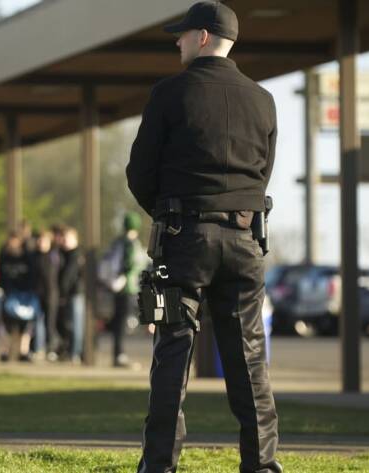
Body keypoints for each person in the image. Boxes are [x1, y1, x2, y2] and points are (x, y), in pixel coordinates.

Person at [125, 2, 281, 472]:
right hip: (245, 241)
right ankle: (261, 466)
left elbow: (139, 173)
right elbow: (264, 174)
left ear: (204, 37)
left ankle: (159, 466)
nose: (177, 41)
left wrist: (172, 215)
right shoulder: (263, 99)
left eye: (183, 34)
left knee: (173, 352)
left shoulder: (170, 93)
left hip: (184, 239)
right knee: (250, 361)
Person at [107, 212, 145, 368]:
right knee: (123, 322)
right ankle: (120, 355)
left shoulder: (118, 242)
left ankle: (118, 353)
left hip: (117, 286)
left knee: (118, 321)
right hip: (128, 286)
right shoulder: (131, 244)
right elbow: (130, 264)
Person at [0, 231, 39, 362]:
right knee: (6, 323)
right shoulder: (4, 257)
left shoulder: (28, 257)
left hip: (25, 294)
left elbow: (33, 275)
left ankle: (23, 351)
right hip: (9, 294)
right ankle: (5, 350)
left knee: (26, 323)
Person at [57, 226, 84, 363]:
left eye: (67, 238)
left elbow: (68, 275)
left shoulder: (76, 254)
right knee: (70, 324)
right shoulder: (63, 254)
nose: (64, 241)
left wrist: (62, 290)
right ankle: (71, 351)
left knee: (76, 325)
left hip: (75, 293)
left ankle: (75, 353)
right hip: (70, 294)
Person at [31, 230, 59, 358]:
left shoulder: (53, 256)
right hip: (37, 294)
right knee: (37, 322)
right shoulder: (34, 256)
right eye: (39, 240)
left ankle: (51, 348)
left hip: (50, 294)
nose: (41, 243)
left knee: (50, 323)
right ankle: (37, 348)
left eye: (44, 240)